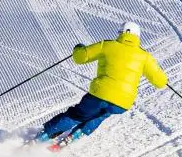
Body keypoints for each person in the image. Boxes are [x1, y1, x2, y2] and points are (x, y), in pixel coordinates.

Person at [34, 21, 167, 147]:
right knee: (102, 114)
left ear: (121, 33)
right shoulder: (145, 57)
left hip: (100, 94)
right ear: (138, 37)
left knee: (78, 114)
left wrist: (79, 48)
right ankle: (74, 136)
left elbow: (80, 57)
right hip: (121, 103)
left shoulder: (107, 45)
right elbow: (161, 82)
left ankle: (44, 136)